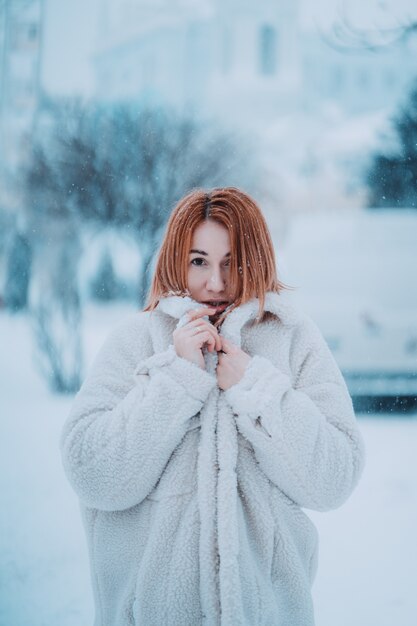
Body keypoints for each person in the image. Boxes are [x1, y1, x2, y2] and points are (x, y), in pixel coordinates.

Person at [60, 187, 366, 626]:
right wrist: (176, 381)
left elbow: (335, 478)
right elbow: (91, 473)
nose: (216, 283)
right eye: (199, 261)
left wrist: (258, 389)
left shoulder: (294, 339)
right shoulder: (134, 340)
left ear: (255, 260)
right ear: (175, 260)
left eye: (232, 263)